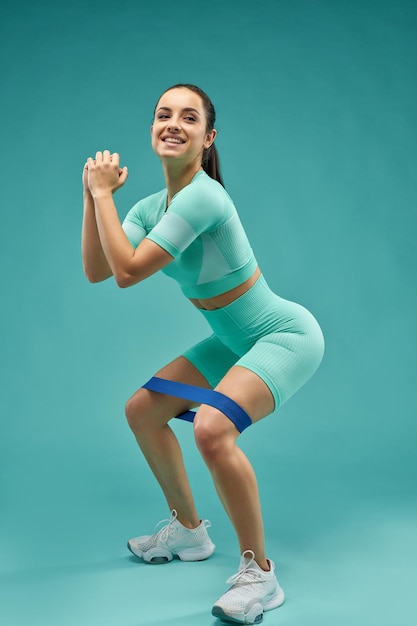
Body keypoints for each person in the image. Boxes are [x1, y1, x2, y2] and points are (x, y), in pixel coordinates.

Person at [81, 83, 324, 625]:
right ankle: (189, 532)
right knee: (142, 411)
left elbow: (125, 274)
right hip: (233, 339)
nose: (173, 123)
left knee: (212, 428)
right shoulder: (151, 207)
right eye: (163, 114)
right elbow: (97, 269)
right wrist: (91, 196)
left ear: (207, 137)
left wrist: (103, 197)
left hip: (283, 335)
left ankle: (260, 574)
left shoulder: (204, 195)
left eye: (188, 118)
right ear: (151, 129)